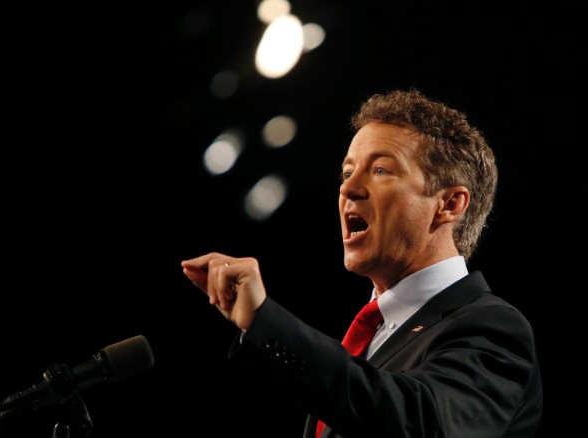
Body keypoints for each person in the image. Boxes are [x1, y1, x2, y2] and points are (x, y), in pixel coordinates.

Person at [181, 88, 543, 437]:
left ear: (449, 204)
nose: (348, 189)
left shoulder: (491, 326)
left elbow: (422, 424)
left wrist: (266, 322)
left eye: (382, 170)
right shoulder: (374, 335)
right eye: (348, 172)